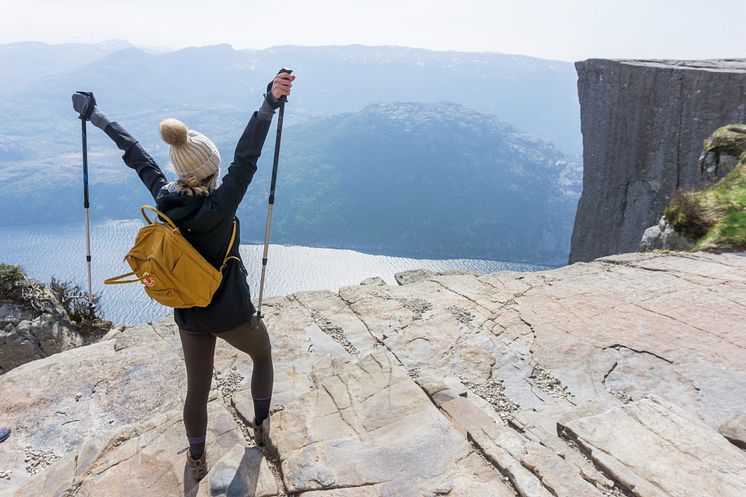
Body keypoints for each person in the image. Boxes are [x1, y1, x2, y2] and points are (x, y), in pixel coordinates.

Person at [71, 69, 295, 482]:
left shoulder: (163, 198)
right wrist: (269, 102)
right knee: (261, 354)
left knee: (198, 389)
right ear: (212, 170)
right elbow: (248, 156)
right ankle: (261, 427)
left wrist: (95, 115)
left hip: (189, 313)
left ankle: (196, 460)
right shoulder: (222, 205)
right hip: (231, 311)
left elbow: (136, 153)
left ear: (178, 170)